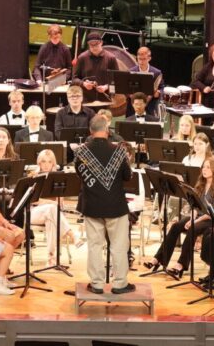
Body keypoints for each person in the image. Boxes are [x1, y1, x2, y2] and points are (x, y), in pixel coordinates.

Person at [75, 115, 135, 294]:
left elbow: (80, 175)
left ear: (90, 131)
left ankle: (97, 284)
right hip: (115, 206)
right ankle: (120, 284)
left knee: (94, 245)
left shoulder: (81, 152)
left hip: (92, 206)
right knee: (118, 246)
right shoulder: (118, 152)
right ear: (107, 130)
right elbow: (127, 176)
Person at [144, 156, 214, 278]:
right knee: (176, 226)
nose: (204, 169)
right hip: (199, 217)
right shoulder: (201, 184)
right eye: (203, 166)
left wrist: (195, 221)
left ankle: (181, 265)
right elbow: (195, 205)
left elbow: (213, 211)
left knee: (193, 229)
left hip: (213, 220)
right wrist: (192, 218)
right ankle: (159, 259)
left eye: (208, 167)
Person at [30, 149, 82, 266]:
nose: (46, 164)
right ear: (39, 163)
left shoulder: (58, 178)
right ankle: (73, 234)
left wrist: (55, 202)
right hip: (33, 213)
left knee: (52, 218)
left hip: (52, 215)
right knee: (52, 209)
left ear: (53, 163)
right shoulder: (33, 177)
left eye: (49, 162)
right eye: (43, 161)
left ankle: (51, 258)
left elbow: (60, 203)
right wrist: (51, 203)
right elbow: (33, 201)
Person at [73, 32, 119, 103]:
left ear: (101, 43)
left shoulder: (111, 58)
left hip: (104, 99)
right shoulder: (82, 58)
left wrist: (106, 87)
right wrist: (84, 84)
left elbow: (117, 79)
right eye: (91, 45)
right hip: (86, 99)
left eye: (96, 44)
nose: (94, 47)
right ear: (88, 45)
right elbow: (74, 78)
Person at [126, 46, 164, 117]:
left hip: (150, 108)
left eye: (144, 59)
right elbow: (125, 88)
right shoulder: (131, 71)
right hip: (133, 109)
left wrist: (158, 93)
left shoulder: (157, 72)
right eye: (139, 59)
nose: (141, 61)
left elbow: (161, 88)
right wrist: (129, 95)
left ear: (149, 58)